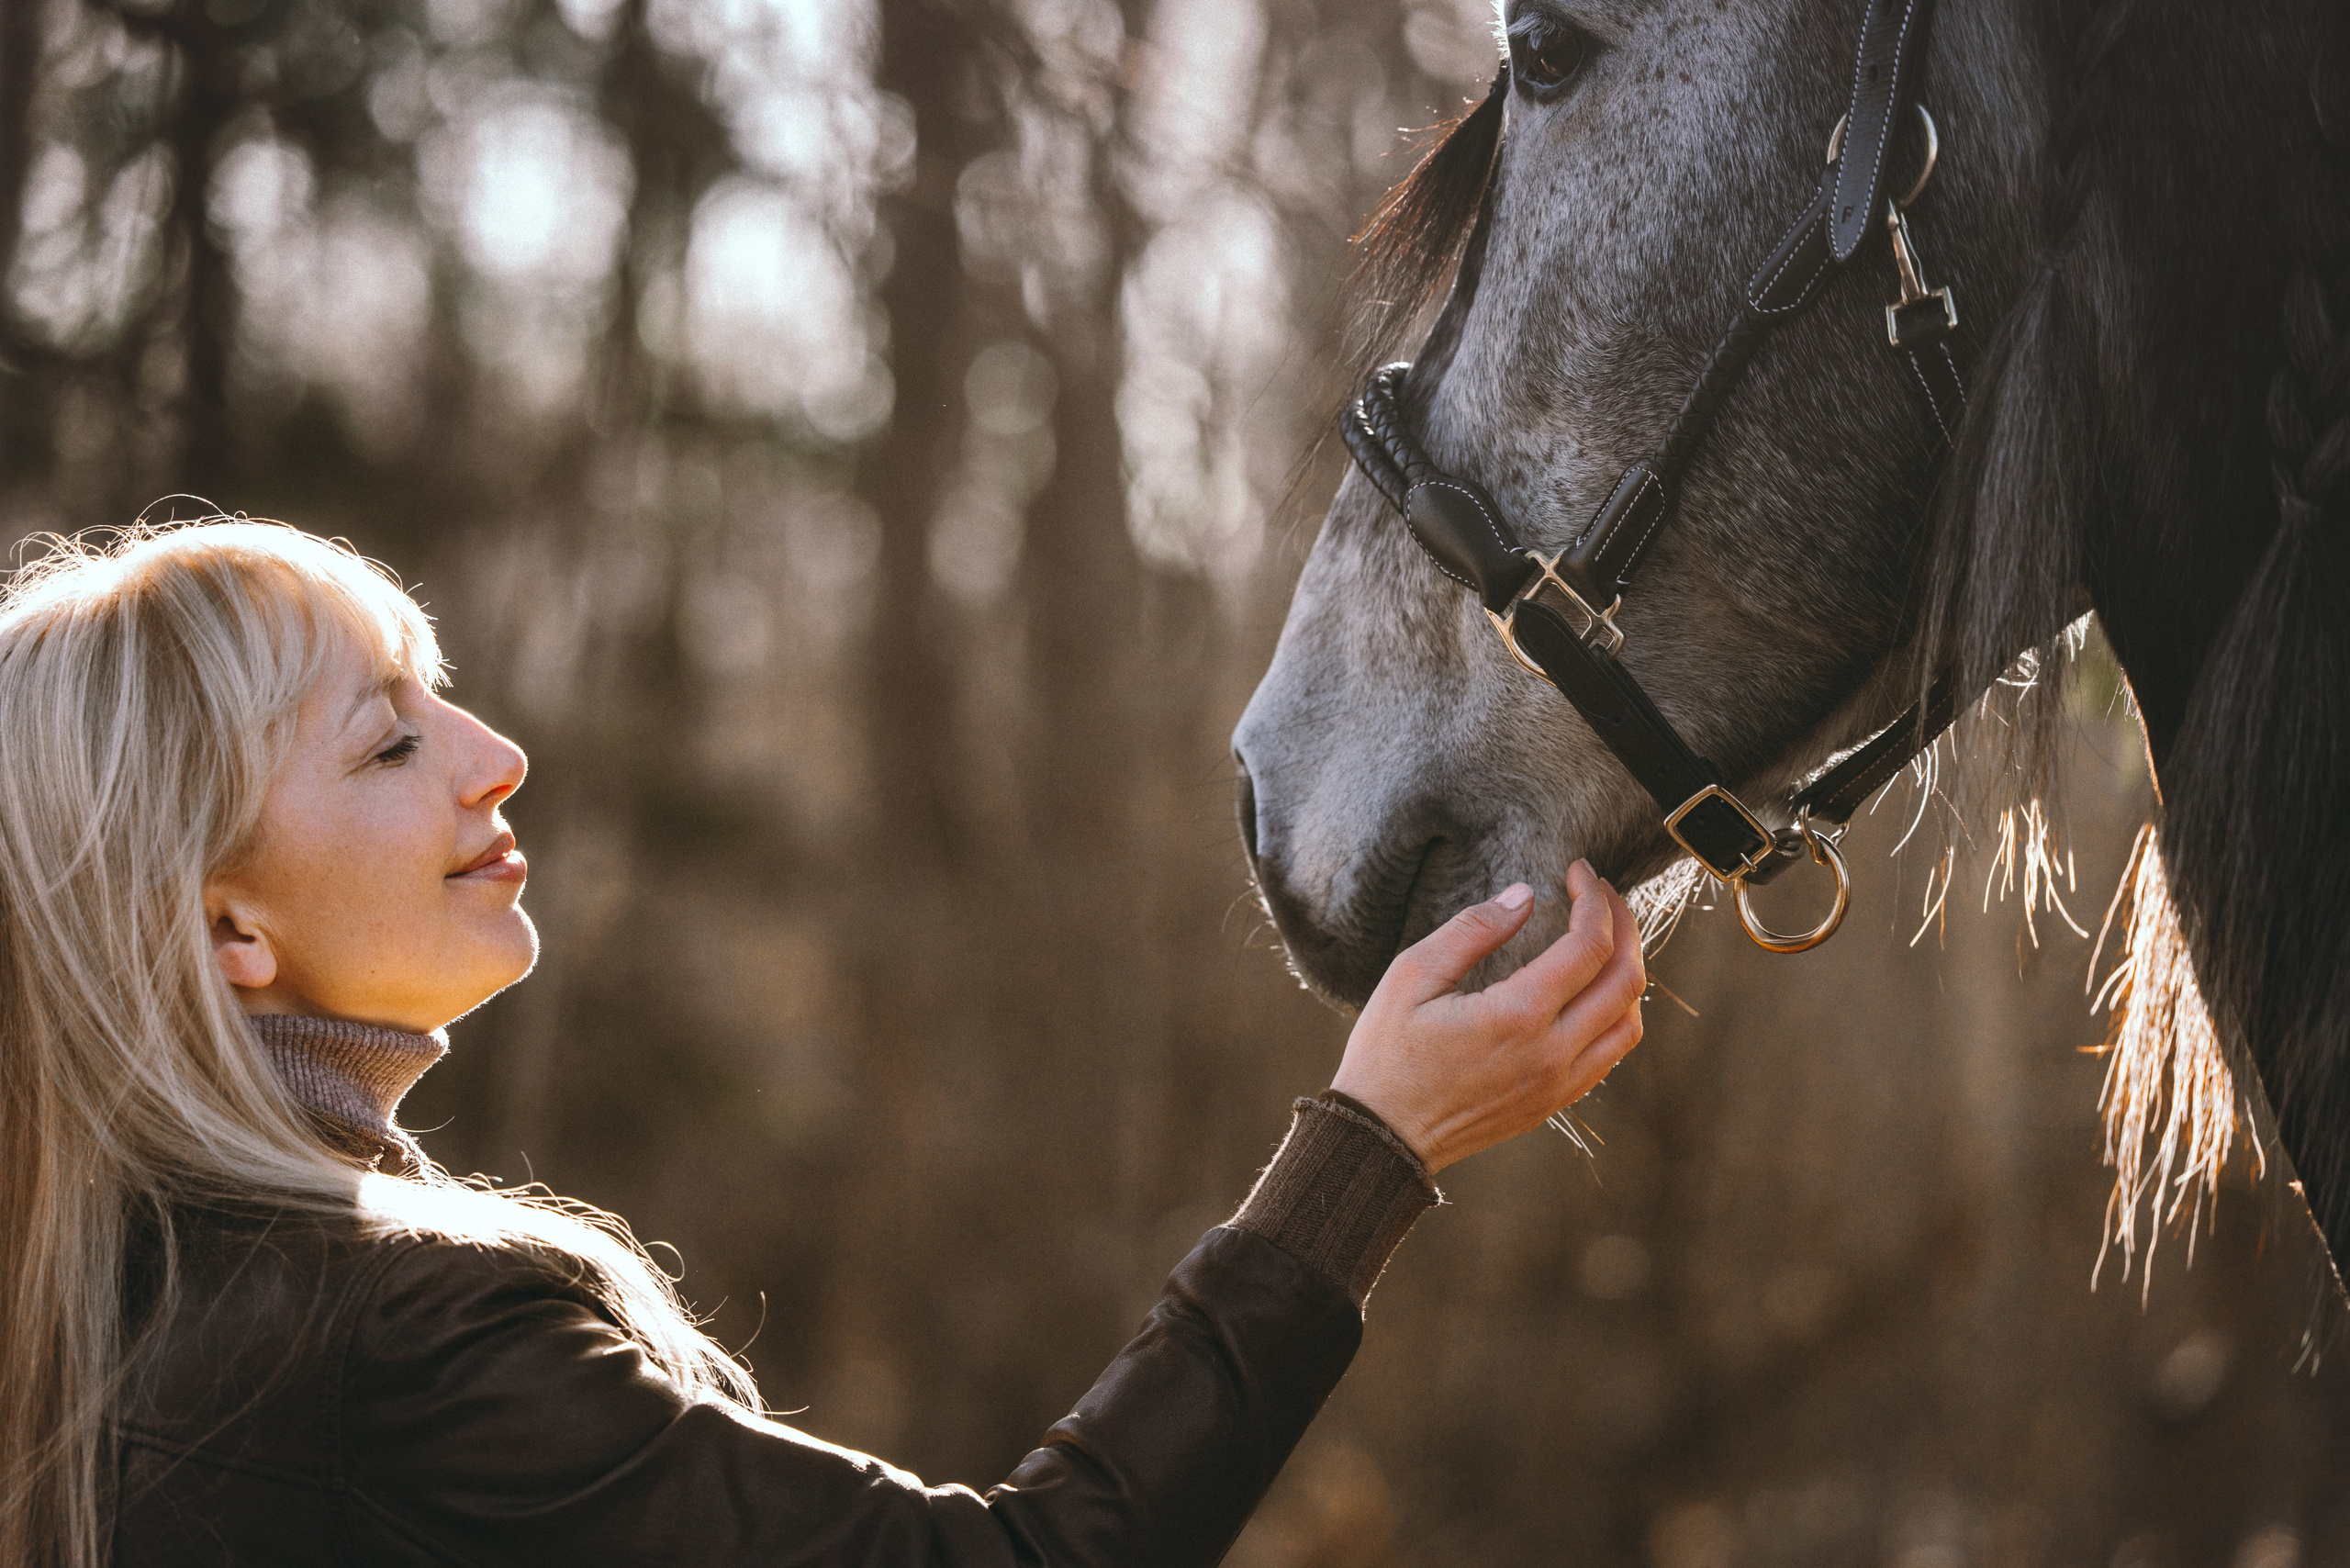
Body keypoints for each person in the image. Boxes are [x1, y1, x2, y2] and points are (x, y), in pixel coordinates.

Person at [0, 520, 1646, 1568]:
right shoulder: (388, 1342)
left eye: (446, 695)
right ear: (228, 931)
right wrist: (1372, 1151)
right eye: (387, 744)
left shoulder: (121, 1310)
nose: (496, 757)